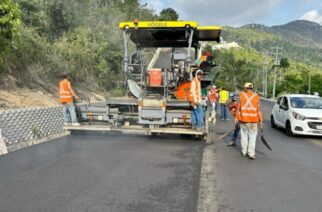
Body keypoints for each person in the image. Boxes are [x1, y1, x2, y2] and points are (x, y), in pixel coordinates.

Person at [236, 82, 263, 160]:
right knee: (252, 137)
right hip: (254, 121)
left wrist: (236, 118)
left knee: (244, 136)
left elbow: (239, 107)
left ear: (245, 88)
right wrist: (260, 121)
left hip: (244, 120)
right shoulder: (256, 96)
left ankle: (244, 151)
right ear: (252, 88)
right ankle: (251, 153)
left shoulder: (241, 95)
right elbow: (259, 110)